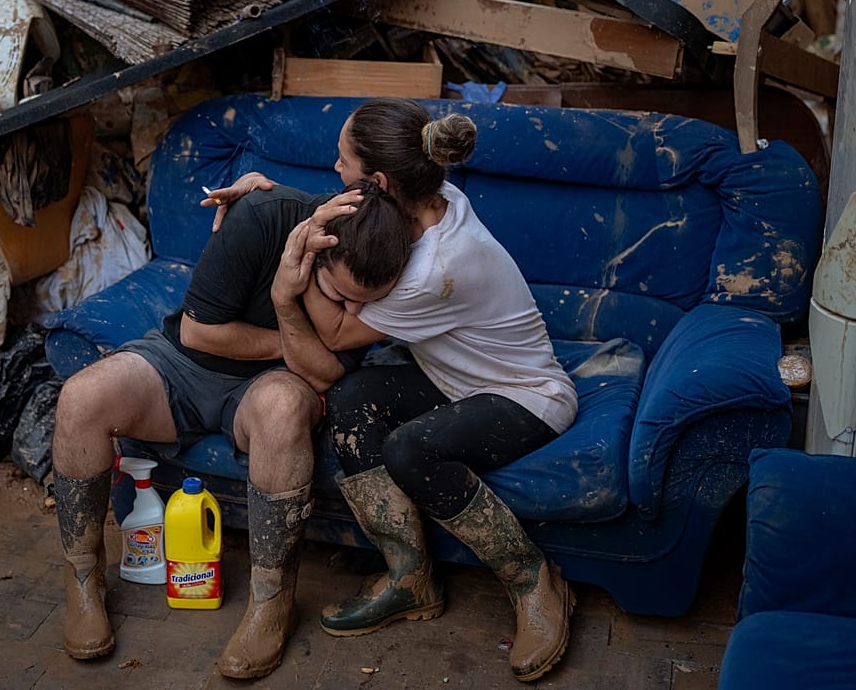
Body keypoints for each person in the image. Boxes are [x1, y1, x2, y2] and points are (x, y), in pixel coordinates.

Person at [204, 99, 579, 682]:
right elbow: (350, 212)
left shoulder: (433, 268)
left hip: (526, 394)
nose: (333, 168)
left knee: (410, 449)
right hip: (452, 380)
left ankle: (534, 579)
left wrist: (294, 261)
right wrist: (267, 195)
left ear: (377, 181)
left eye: (341, 160)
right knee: (353, 399)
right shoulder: (432, 195)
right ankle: (411, 579)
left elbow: (330, 335)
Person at [52, 180, 409, 680]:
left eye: (365, 306)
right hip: (183, 360)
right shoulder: (263, 216)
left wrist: (288, 306)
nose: (352, 316)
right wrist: (297, 342)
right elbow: (201, 333)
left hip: (270, 385)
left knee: (283, 406)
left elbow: (325, 374)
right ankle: (83, 580)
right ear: (312, 247)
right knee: (81, 398)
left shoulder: (386, 263)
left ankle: (271, 601)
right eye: (339, 296)